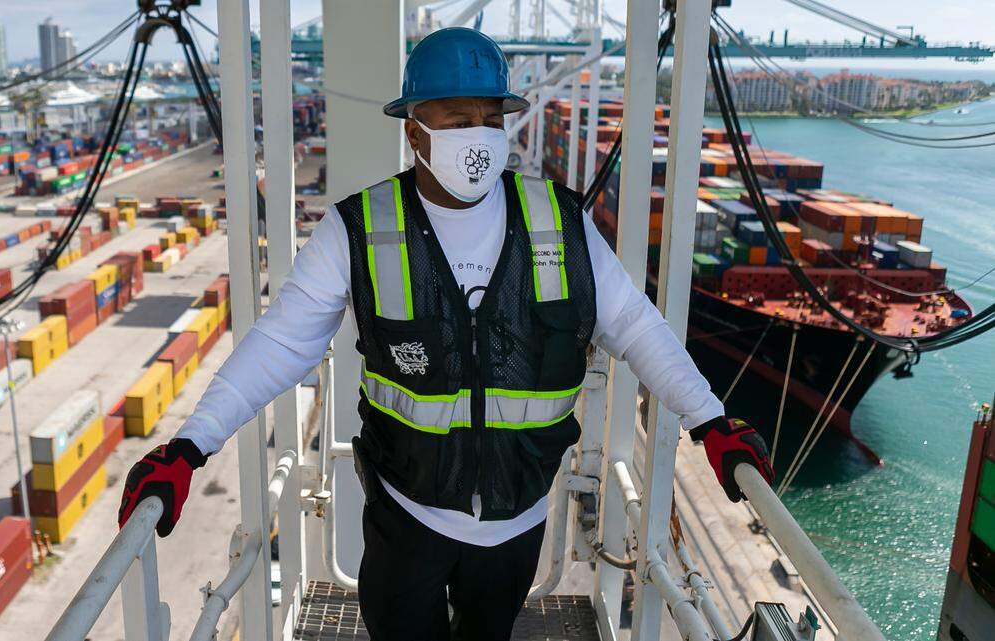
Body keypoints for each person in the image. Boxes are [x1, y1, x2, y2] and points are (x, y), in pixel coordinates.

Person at [118, 27, 774, 641]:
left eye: (493, 120)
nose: (480, 136)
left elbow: (635, 325)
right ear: (415, 129)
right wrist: (189, 445)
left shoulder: (559, 222)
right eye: (459, 121)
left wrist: (710, 421)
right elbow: (282, 343)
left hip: (519, 524)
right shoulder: (359, 229)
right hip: (407, 517)